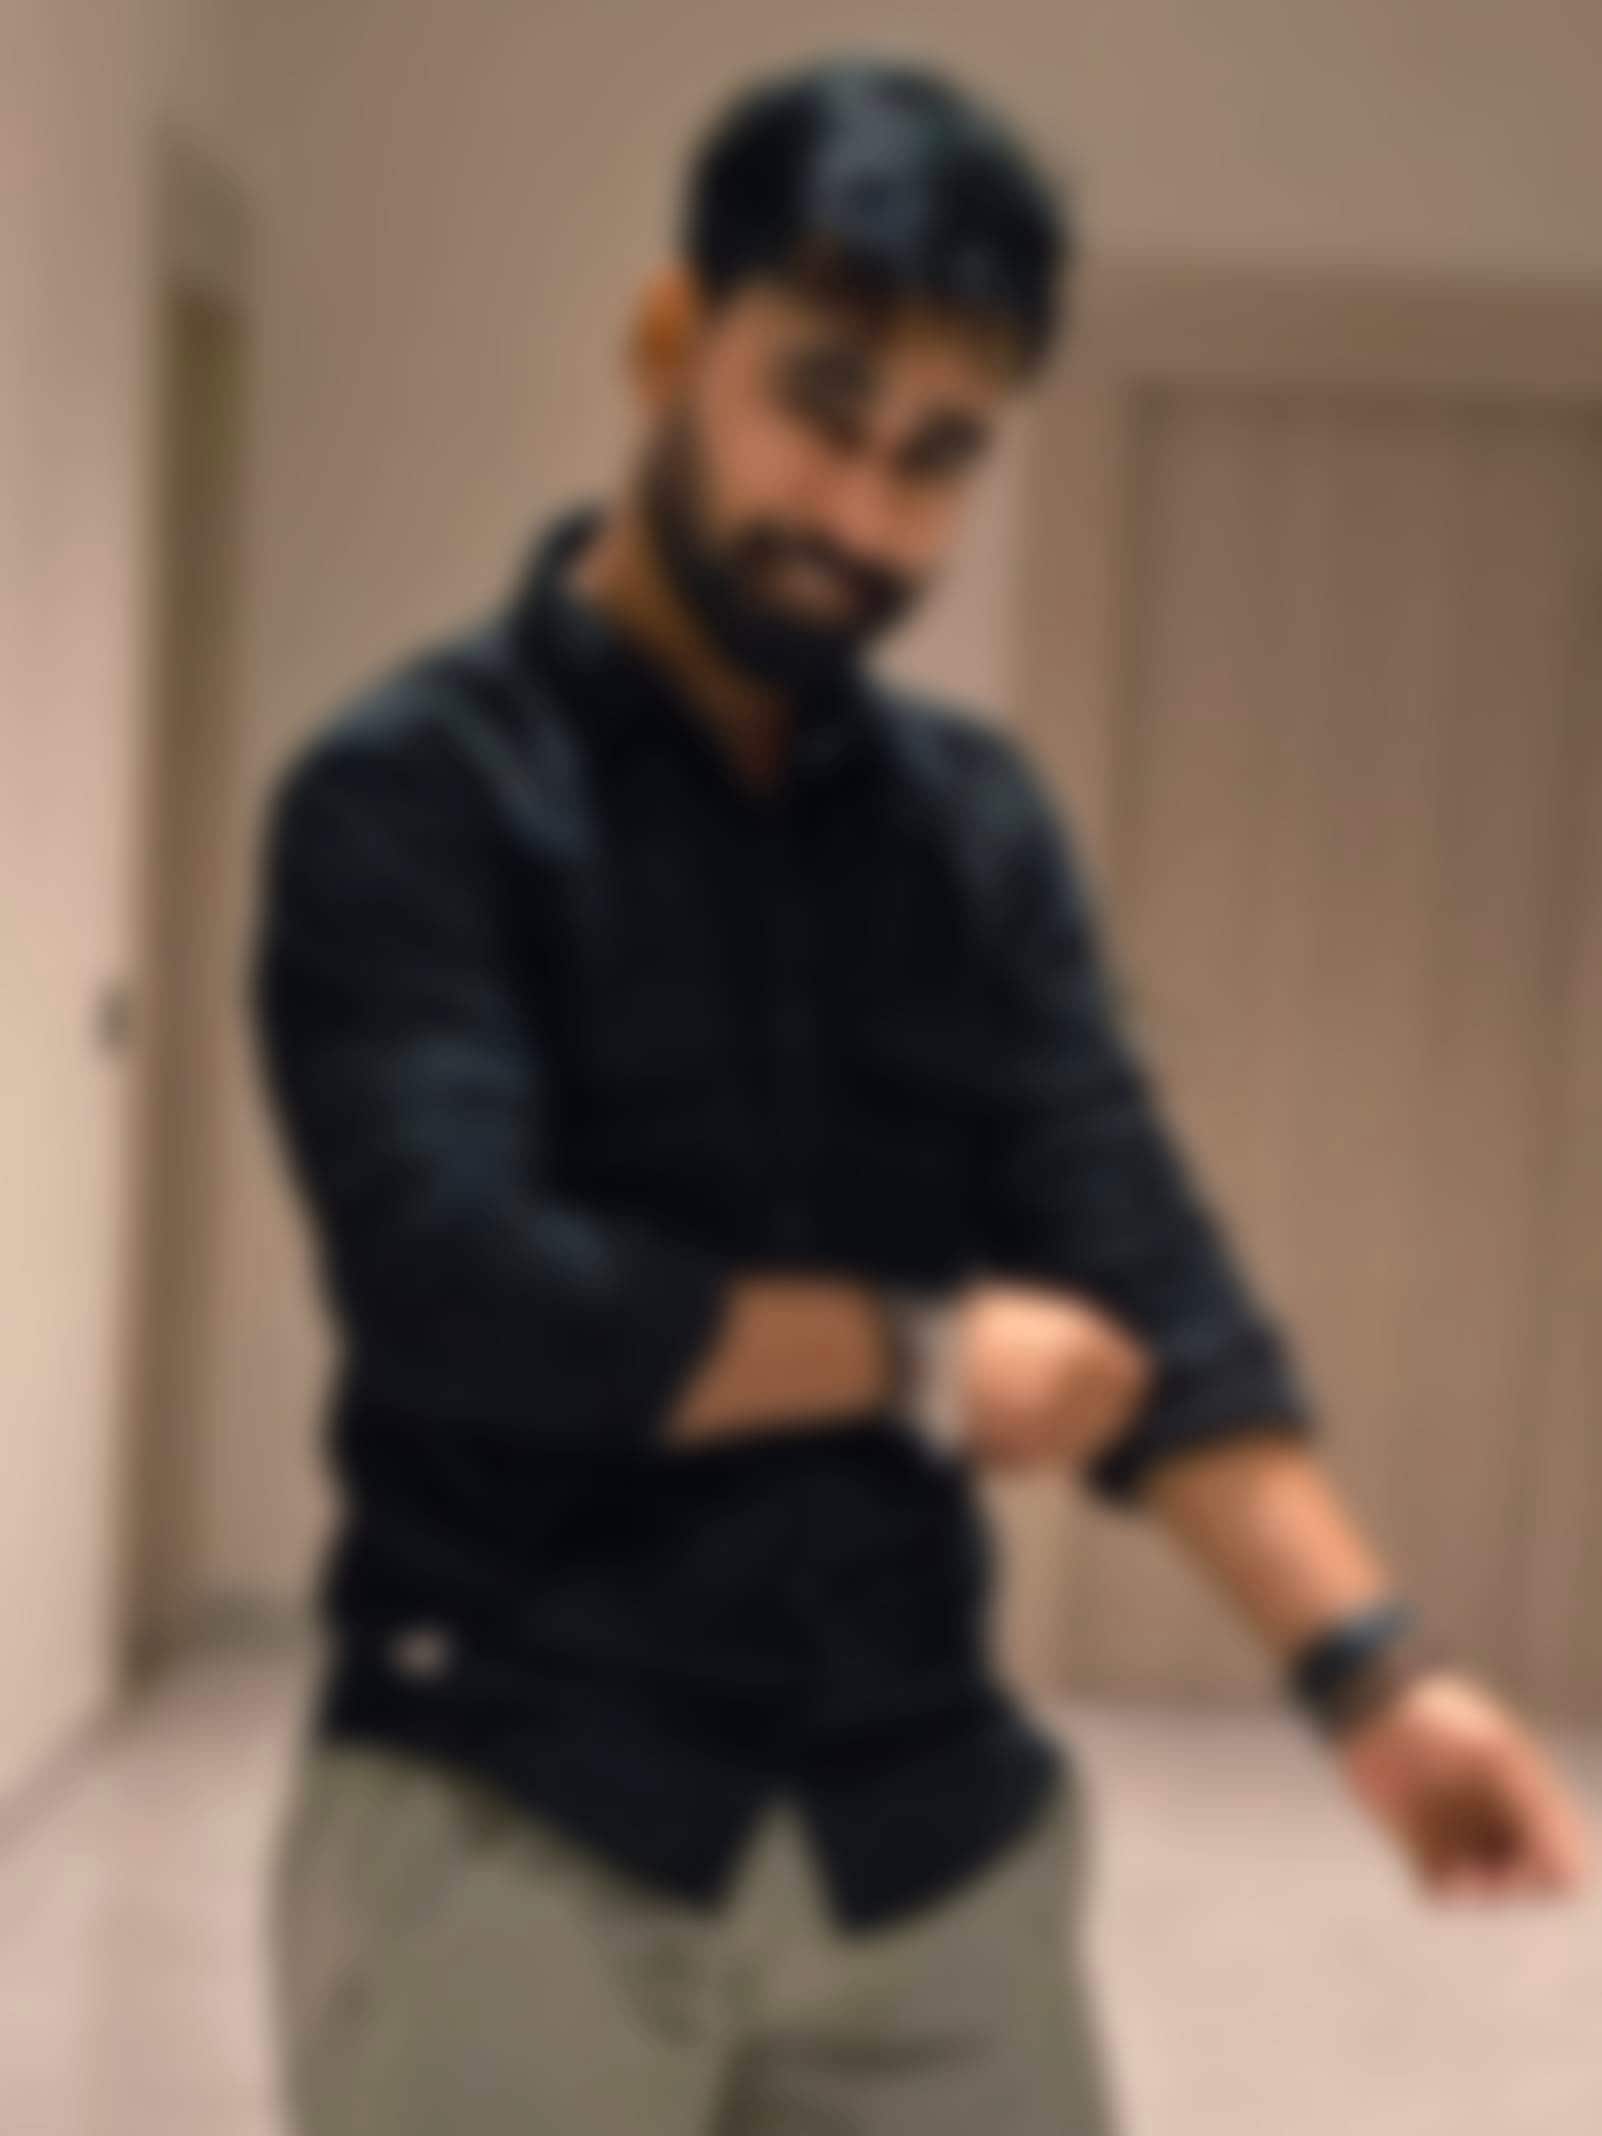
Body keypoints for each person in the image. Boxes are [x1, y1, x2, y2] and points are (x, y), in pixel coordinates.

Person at [250, 51, 1591, 2136]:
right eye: (821, 407)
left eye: (939, 455)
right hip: (516, 1802)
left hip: (917, 1838)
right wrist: (920, 1357)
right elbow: (464, 1294)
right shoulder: (413, 795)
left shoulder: (971, 832)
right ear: (671, 340)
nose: (861, 517)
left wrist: (1375, 1676)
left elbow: (1140, 1264)